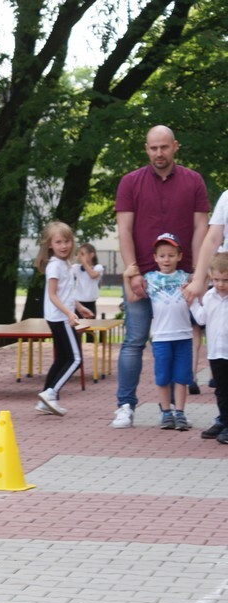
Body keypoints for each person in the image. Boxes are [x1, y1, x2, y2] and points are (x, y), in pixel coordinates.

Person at [112, 125, 209, 428]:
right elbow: (124, 230)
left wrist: (197, 276)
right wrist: (133, 272)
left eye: (164, 147)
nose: (159, 153)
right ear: (146, 149)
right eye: (153, 148)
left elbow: (201, 230)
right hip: (142, 275)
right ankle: (125, 405)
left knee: (184, 340)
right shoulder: (130, 182)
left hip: (182, 279)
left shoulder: (194, 181)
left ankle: (175, 410)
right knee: (134, 340)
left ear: (175, 147)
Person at [123, 233, 193, 430]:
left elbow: (201, 285)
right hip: (161, 337)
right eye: (162, 255)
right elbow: (132, 298)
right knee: (162, 377)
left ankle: (180, 412)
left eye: (171, 255)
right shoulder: (150, 279)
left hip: (184, 335)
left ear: (179, 256)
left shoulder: (185, 277)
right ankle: (165, 413)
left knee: (181, 377)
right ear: (155, 258)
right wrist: (126, 276)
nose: (166, 259)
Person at [34, 222, 94, 416]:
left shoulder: (66, 264)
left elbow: (65, 293)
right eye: (58, 242)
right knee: (75, 359)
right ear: (50, 245)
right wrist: (69, 313)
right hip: (61, 318)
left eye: (67, 241)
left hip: (60, 315)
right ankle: (51, 393)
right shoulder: (55, 266)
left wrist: (79, 307)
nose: (63, 246)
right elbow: (52, 295)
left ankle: (45, 401)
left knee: (61, 359)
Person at [190, 253, 228, 442]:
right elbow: (201, 319)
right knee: (221, 389)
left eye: (226, 280)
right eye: (217, 280)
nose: (221, 284)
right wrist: (192, 304)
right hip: (216, 352)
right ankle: (223, 420)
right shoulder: (210, 296)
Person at [74, 243, 104, 319]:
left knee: (90, 327)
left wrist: (84, 262)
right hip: (78, 303)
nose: (80, 256)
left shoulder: (98, 267)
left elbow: (93, 275)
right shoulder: (76, 268)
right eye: (79, 254)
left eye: (82, 254)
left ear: (91, 255)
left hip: (91, 303)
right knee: (77, 328)